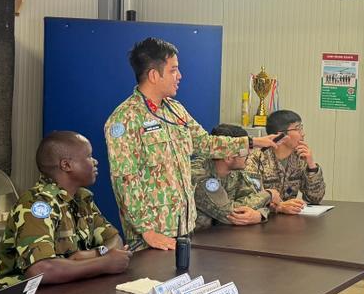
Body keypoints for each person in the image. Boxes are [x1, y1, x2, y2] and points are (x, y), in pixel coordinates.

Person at [104, 38, 279, 250]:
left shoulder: (175, 110)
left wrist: (252, 142)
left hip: (184, 229)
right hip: (152, 238)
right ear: (153, 75)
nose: (179, 76)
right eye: (173, 70)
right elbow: (125, 180)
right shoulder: (125, 119)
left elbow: (205, 142)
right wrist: (146, 231)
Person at [0, 131, 131, 287]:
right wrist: (104, 263)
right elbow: (40, 271)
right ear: (66, 165)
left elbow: (115, 240)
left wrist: (91, 254)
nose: (95, 161)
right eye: (89, 156)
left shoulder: (81, 198)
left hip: (67, 288)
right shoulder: (37, 204)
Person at [192, 123, 275, 229]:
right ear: (229, 157)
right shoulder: (199, 175)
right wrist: (269, 195)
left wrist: (259, 215)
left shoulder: (235, 171)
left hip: (226, 235)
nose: (249, 154)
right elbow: (230, 214)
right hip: (197, 238)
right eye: (245, 150)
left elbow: (256, 200)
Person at [247, 109, 326, 214]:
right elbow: (250, 200)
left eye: (301, 128)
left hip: (290, 219)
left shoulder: (299, 157)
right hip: (261, 219)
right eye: (297, 129)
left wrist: (312, 166)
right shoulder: (255, 158)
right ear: (281, 135)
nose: (303, 134)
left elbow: (315, 198)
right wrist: (278, 207)